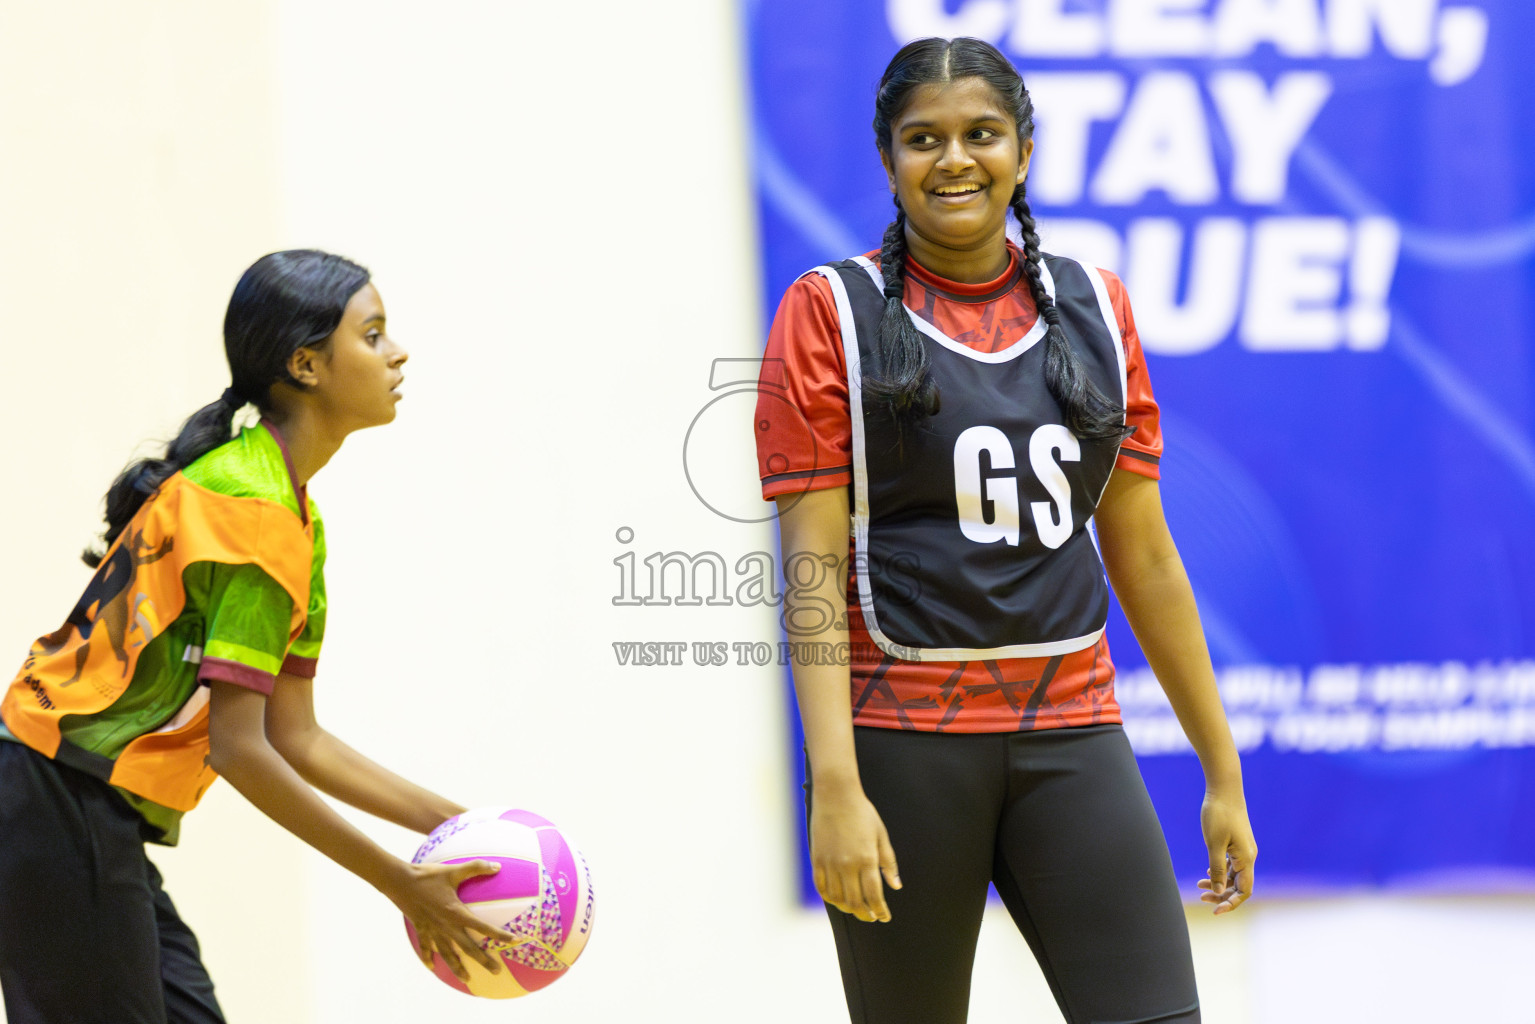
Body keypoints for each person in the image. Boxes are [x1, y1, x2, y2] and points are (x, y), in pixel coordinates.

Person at [755, 38, 1258, 1024]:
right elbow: (808, 567)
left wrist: (1220, 771)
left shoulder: (1094, 307)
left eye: (979, 133)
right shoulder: (829, 312)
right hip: (902, 749)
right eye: (921, 139)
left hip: (1071, 733)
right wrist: (833, 788)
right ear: (887, 158)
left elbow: (1146, 554)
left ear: (1021, 150)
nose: (951, 159)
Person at [0, 250, 516, 1024]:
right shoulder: (253, 513)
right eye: (373, 335)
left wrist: (462, 827)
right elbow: (240, 750)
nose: (398, 352)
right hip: (54, 793)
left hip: (75, 804)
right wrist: (397, 880)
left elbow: (297, 736)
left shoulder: (288, 509)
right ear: (306, 364)